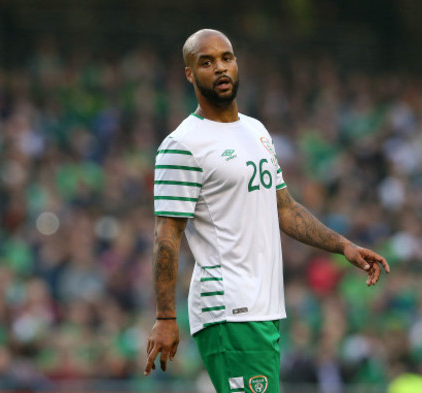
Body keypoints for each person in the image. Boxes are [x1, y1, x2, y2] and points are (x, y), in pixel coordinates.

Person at [144, 28, 390, 393]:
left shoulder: (255, 130)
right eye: (206, 62)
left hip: (265, 308)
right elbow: (167, 234)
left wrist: (343, 246)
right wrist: (165, 316)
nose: (221, 68)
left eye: (227, 58)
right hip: (228, 308)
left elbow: (284, 208)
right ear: (190, 74)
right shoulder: (182, 145)